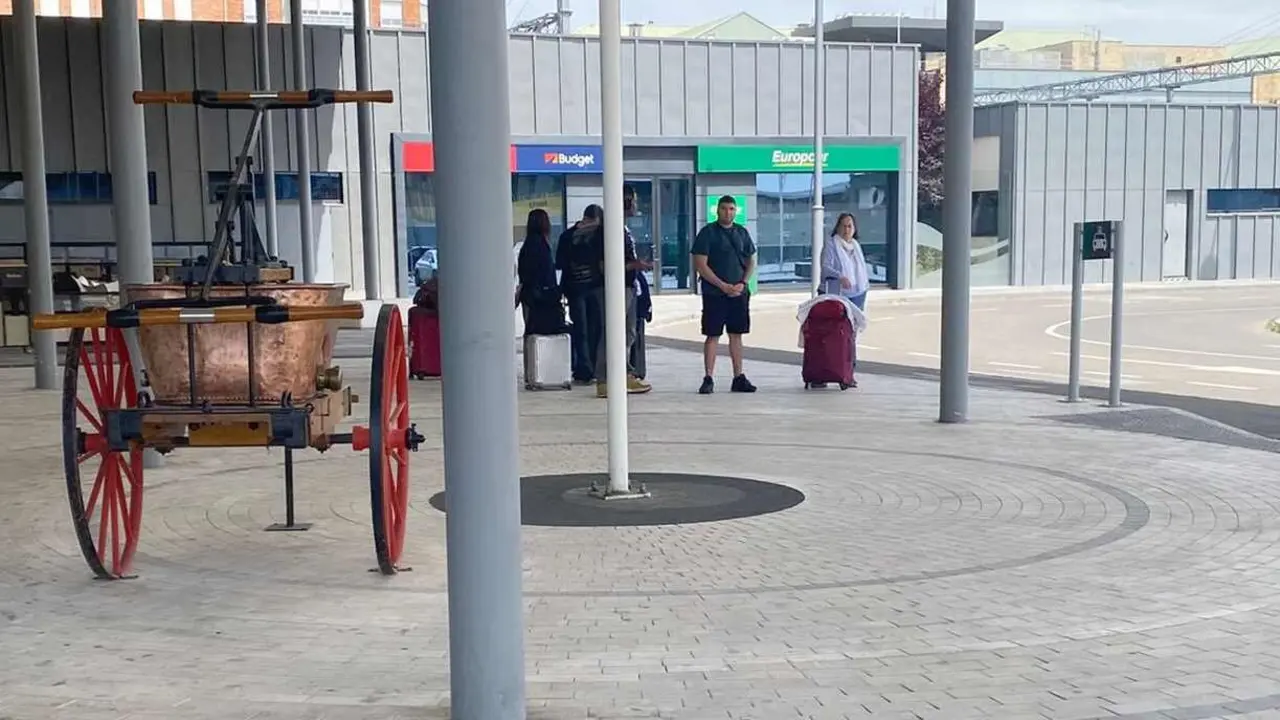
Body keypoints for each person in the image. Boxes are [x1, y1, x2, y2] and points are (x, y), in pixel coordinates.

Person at [691, 195, 757, 395]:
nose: (728, 212)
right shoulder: (707, 233)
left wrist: (742, 283)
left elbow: (751, 260)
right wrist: (722, 286)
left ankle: (738, 376)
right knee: (713, 335)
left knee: (736, 335)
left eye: (731, 209)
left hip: (738, 293)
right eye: (724, 209)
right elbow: (700, 265)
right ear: (717, 210)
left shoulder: (742, 233)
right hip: (714, 294)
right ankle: (708, 377)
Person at [593, 184, 653, 398]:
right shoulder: (608, 229)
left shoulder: (622, 228)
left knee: (627, 332)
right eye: (633, 200)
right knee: (612, 332)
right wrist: (635, 265)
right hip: (614, 287)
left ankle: (623, 372)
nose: (635, 205)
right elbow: (605, 265)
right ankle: (606, 378)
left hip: (628, 285)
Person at [817, 212, 871, 387]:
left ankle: (848, 373)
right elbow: (825, 267)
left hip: (857, 294)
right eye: (844, 226)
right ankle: (825, 373)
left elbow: (860, 269)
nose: (847, 230)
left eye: (850, 226)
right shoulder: (832, 244)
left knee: (851, 336)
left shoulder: (855, 245)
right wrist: (840, 276)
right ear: (837, 227)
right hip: (836, 294)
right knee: (832, 335)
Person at [556, 205, 604, 383]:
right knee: (583, 328)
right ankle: (584, 368)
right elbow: (561, 263)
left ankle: (588, 366)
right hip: (579, 289)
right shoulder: (570, 236)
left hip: (588, 288)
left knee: (592, 328)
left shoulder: (597, 235)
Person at [516, 209, 567, 336]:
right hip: (540, 297)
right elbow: (546, 273)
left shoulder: (527, 245)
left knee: (531, 330)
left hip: (529, 295)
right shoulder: (542, 245)